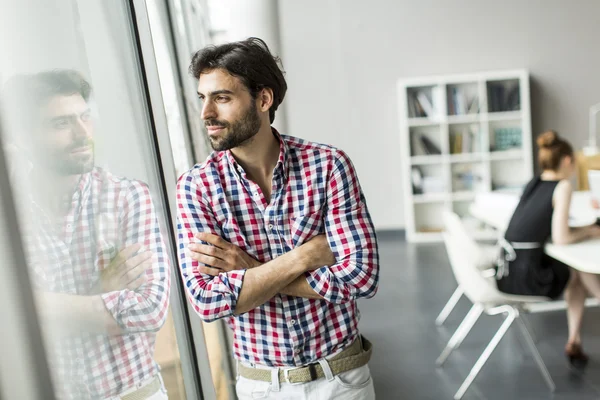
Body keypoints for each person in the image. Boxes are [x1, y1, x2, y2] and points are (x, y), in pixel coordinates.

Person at [176, 37, 379, 399]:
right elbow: (207, 301)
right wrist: (302, 257)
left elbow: (361, 277)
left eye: (221, 98)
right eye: (202, 98)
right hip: (261, 387)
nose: (206, 113)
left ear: (263, 99)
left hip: (342, 380)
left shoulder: (328, 165)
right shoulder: (196, 186)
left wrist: (249, 271)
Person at [1, 70, 171, 399]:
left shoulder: (127, 197)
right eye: (60, 124)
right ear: (23, 137)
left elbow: (150, 310)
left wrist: (38, 305)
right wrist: (100, 291)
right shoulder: (11, 217)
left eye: (84, 117)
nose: (82, 134)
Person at [496, 130, 600, 368]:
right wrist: (589, 230)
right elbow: (562, 238)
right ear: (566, 160)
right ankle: (583, 322)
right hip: (527, 278)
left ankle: (574, 339)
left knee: (575, 273)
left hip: (507, 270)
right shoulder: (562, 186)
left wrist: (583, 228)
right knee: (576, 271)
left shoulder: (536, 181)